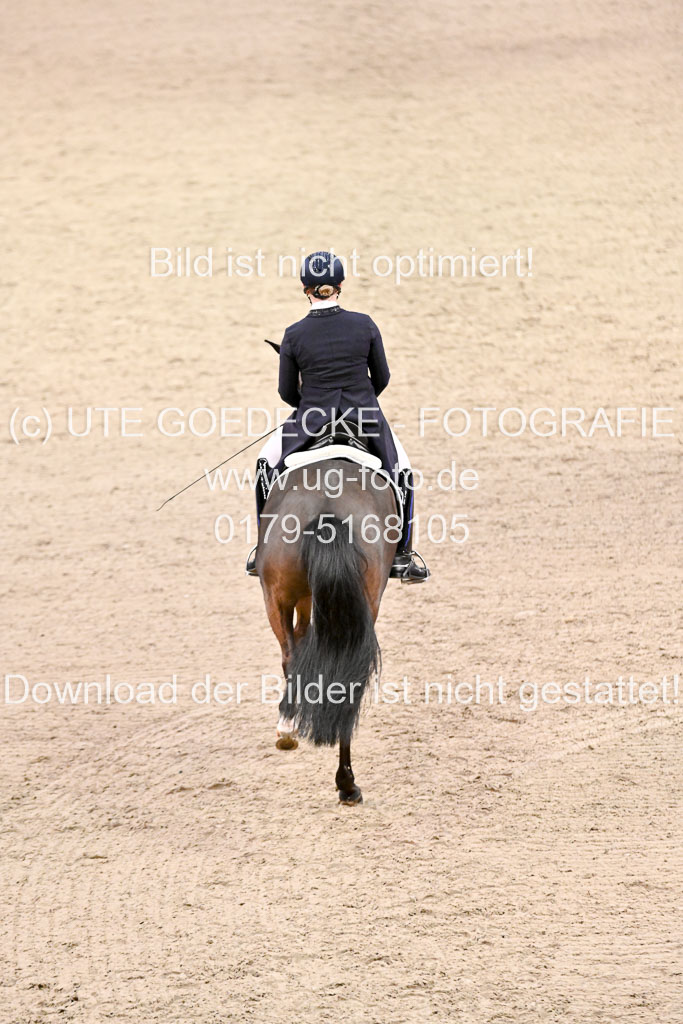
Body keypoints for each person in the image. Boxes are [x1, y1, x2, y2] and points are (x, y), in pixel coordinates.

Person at [245, 250, 430, 583]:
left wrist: (310, 405)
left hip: (310, 419)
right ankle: (403, 554)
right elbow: (383, 377)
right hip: (365, 416)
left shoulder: (294, 334)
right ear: (340, 285)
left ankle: (263, 548)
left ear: (306, 289)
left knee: (263, 464)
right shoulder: (364, 324)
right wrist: (361, 398)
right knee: (402, 470)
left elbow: (286, 392)